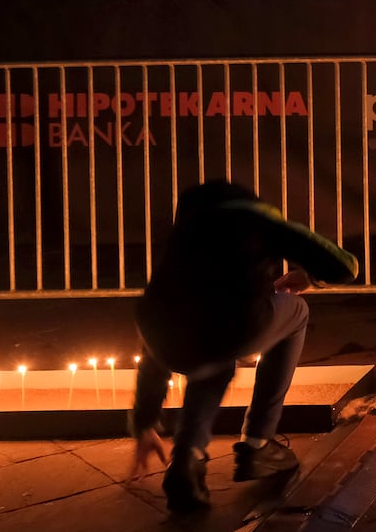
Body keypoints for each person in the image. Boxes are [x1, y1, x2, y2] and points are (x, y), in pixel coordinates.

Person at [129, 180, 359, 512]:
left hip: (168, 334)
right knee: (296, 312)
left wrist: (145, 423)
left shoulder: (182, 238)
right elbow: (344, 266)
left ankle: (186, 460)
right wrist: (309, 276)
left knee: (207, 358)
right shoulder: (260, 221)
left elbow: (152, 344)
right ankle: (258, 444)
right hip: (231, 325)